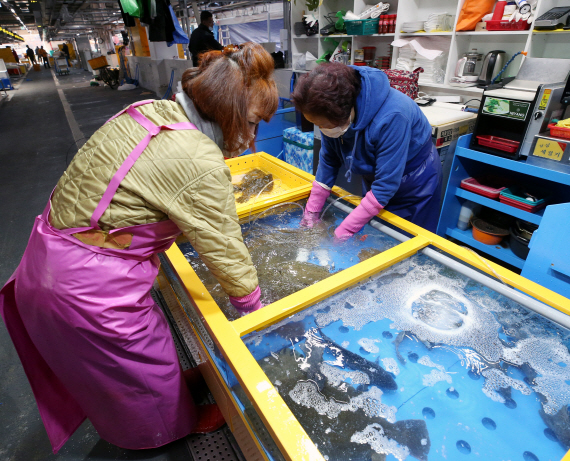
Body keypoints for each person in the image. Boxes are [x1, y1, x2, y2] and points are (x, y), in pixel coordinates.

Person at [0, 43, 277, 454]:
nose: (252, 136)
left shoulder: (151, 111)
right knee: (139, 361)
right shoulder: (201, 159)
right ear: (228, 110)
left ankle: (168, 396)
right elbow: (226, 250)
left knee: (129, 361)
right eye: (251, 122)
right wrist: (257, 316)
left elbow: (144, 191)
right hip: (86, 287)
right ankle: (171, 428)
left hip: (46, 259)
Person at [291, 63, 442, 238]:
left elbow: (385, 186)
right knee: (373, 231)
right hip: (378, 176)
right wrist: (312, 210)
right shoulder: (330, 113)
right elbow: (329, 159)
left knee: (405, 239)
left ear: (343, 113)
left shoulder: (393, 116)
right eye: (317, 124)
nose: (321, 129)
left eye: (324, 125)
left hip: (415, 181)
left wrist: (345, 230)